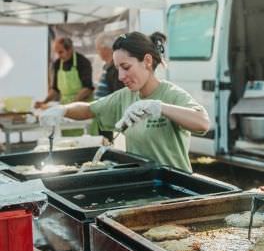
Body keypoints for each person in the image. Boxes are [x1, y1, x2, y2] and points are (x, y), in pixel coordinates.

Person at [39, 31, 210, 172]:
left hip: (175, 187)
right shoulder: (125, 96)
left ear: (147, 61)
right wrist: (62, 110)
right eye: (117, 68)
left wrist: (158, 107)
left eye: (126, 67)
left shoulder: (171, 94)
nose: (121, 76)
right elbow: (89, 109)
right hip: (141, 184)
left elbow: (202, 123)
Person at [35, 37, 94, 107]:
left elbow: (87, 88)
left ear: (70, 49)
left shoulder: (83, 62)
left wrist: (72, 104)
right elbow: (55, 89)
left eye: (61, 52)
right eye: (57, 53)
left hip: (82, 105)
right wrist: (44, 102)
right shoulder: (57, 64)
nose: (59, 56)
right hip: (64, 105)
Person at [94, 32, 123, 100]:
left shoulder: (115, 68)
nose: (97, 52)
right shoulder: (108, 67)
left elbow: (118, 95)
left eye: (98, 49)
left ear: (105, 49)